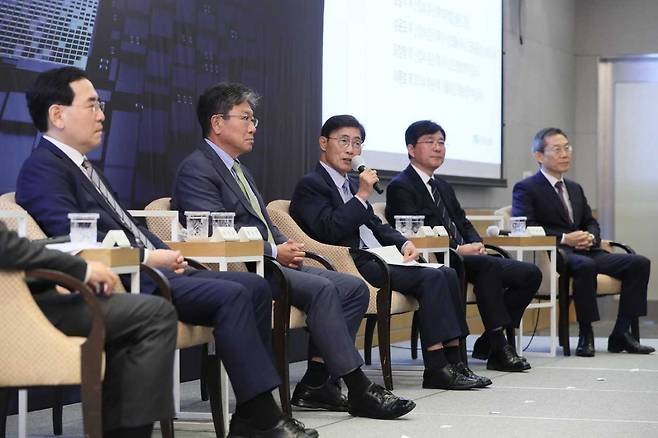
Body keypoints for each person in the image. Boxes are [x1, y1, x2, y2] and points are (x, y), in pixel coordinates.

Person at [15, 67, 317, 438]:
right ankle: (261, 414)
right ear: (58, 114)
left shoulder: (83, 167)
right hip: (124, 280)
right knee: (236, 292)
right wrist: (146, 258)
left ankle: (253, 413)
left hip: (150, 270)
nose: (102, 114)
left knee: (253, 286)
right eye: (92, 105)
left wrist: (164, 251)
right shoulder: (43, 168)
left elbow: (127, 226)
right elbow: (74, 238)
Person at [171, 83, 415, 420]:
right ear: (217, 122)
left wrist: (282, 244)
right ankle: (359, 387)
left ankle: (318, 382)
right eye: (246, 118)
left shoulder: (239, 169)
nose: (253, 127)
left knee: (353, 287)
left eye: (253, 119)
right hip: (242, 269)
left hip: (268, 260)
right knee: (325, 288)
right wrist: (273, 248)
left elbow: (260, 221)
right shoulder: (197, 169)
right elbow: (214, 232)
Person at [290, 114, 491, 390]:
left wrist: (403, 243)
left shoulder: (348, 184)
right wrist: (362, 197)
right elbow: (329, 230)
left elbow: (376, 223)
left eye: (357, 143)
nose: (351, 149)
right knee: (431, 278)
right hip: (348, 262)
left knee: (446, 273)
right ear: (324, 143)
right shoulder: (312, 184)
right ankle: (436, 367)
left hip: (375, 256)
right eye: (344, 141)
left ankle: (455, 361)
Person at [386, 120, 541, 371]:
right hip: (441, 259)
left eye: (441, 143)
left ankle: (490, 339)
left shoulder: (443, 186)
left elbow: (462, 221)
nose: (438, 148)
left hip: (467, 256)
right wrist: (458, 250)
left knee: (530, 273)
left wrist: (476, 243)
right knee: (488, 267)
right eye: (430, 142)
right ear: (411, 149)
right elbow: (414, 234)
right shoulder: (401, 186)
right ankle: (499, 346)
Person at [0, 220, 177, 438]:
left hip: (27, 294)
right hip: (21, 309)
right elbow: (5, 245)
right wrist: (81, 269)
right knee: (155, 315)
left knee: (130, 327)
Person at [512, 127, 654, 357]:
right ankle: (585, 333)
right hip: (557, 254)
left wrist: (591, 236)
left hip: (587, 250)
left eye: (567, 148)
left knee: (639, 263)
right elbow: (526, 225)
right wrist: (566, 238)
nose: (564, 153)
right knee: (585, 267)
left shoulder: (575, 188)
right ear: (539, 156)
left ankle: (621, 333)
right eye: (557, 149)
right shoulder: (526, 188)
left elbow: (590, 221)